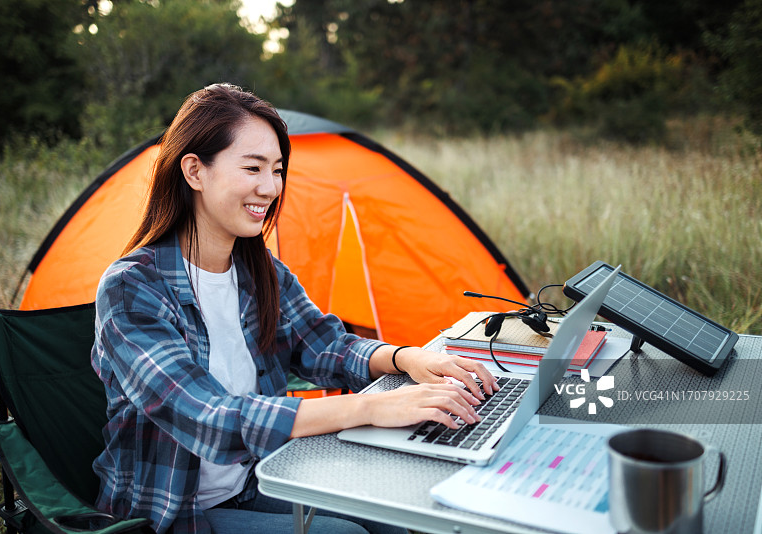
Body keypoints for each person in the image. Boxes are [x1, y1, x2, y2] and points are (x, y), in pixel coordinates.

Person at [90, 83, 497, 534]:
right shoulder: (132, 288)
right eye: (252, 168)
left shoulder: (259, 269)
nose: (269, 188)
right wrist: (371, 408)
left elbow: (325, 346)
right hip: (172, 511)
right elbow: (208, 416)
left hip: (256, 476)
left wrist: (408, 358)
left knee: (396, 511)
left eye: (277, 170)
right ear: (194, 171)